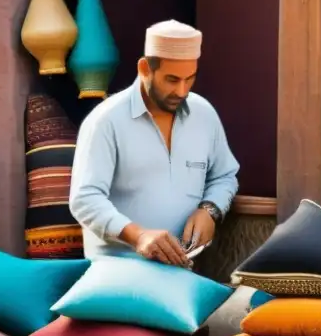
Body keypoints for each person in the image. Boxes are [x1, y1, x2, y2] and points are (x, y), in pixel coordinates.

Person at [69, 20, 238, 265]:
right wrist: (138, 236)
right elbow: (84, 199)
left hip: (184, 274)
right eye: (171, 79)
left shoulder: (205, 115)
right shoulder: (106, 121)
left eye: (189, 78)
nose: (182, 91)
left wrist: (210, 210)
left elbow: (225, 176)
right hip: (116, 274)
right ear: (145, 69)